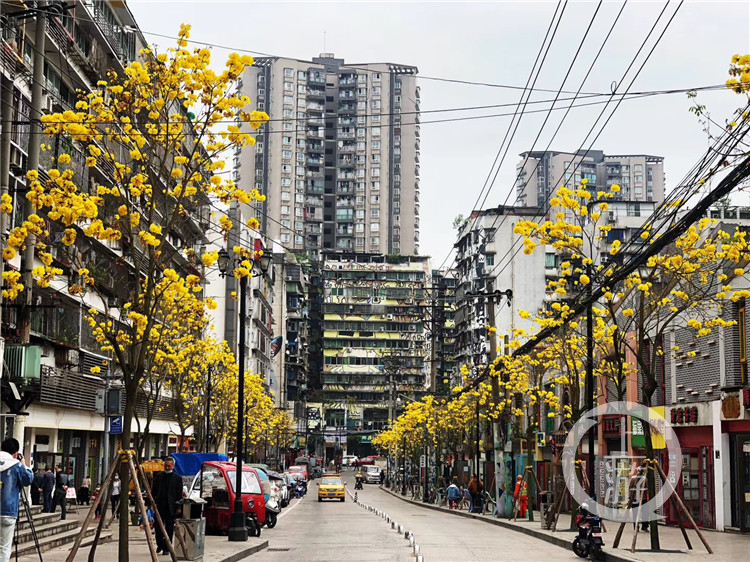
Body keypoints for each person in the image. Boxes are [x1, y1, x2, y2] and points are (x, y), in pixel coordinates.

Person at [0, 438, 33, 562]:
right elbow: (28, 479)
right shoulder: (17, 466)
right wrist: (24, 463)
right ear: (16, 453)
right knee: (4, 547)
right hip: (8, 511)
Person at [151, 457, 183, 555]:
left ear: (173, 466)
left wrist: (178, 507)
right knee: (158, 527)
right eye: (166, 466)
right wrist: (150, 503)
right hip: (159, 506)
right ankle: (160, 544)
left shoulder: (177, 478)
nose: (167, 467)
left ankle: (167, 547)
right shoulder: (159, 476)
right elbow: (153, 491)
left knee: (169, 528)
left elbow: (179, 494)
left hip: (171, 507)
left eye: (169, 466)